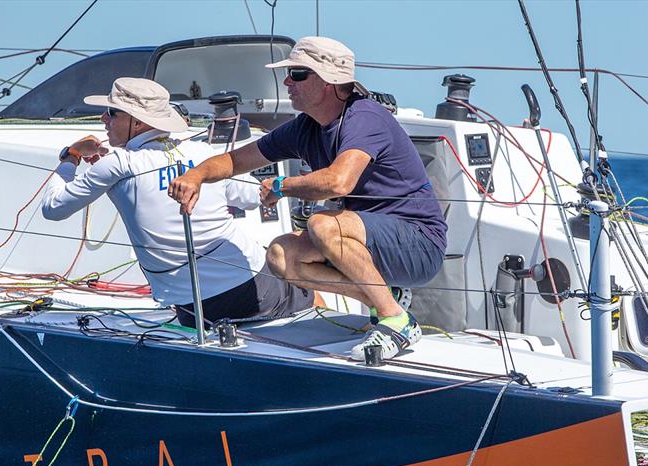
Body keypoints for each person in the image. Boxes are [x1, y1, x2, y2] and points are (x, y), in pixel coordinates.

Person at [168, 37, 447, 359]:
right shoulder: (304, 128)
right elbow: (236, 160)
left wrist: (283, 185)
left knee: (324, 225)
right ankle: (386, 299)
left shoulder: (364, 117)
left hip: (419, 244)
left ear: (329, 81)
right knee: (281, 254)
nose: (287, 81)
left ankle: (396, 321)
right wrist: (195, 175)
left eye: (298, 74)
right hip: (372, 241)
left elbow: (338, 182)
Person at [42, 77, 316, 328]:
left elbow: (52, 208)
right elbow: (252, 198)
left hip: (194, 306)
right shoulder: (202, 153)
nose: (103, 119)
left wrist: (72, 156)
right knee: (301, 274)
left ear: (137, 122)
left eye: (112, 113)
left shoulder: (118, 164)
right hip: (251, 287)